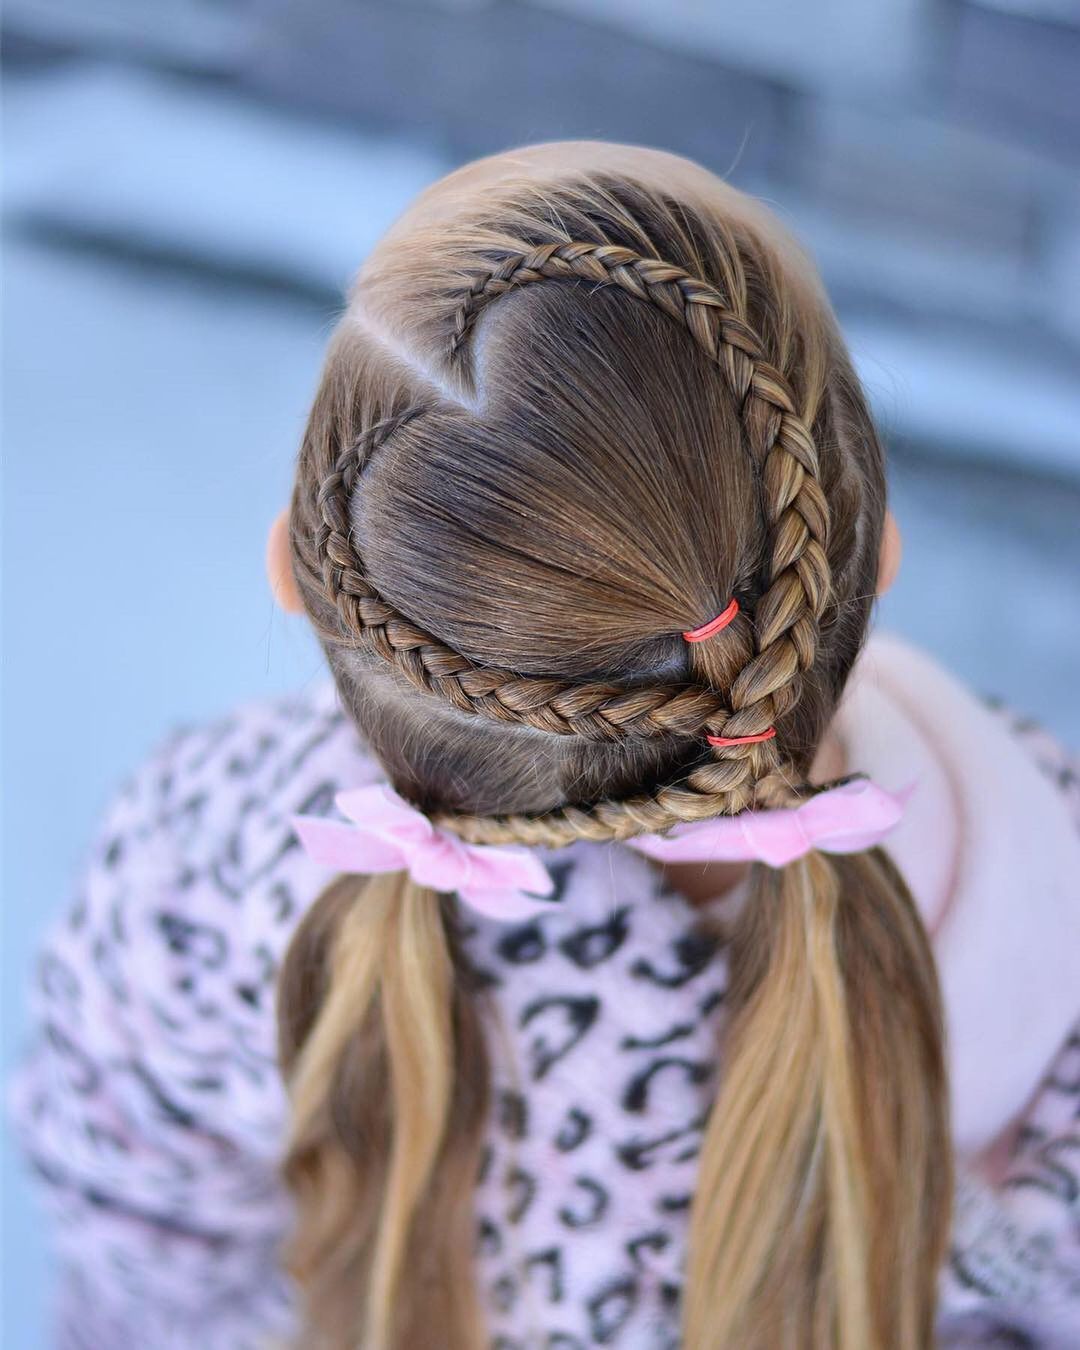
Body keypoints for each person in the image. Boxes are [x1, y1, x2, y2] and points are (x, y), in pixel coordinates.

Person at [9, 142, 1080, 1350]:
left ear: (294, 577)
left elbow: (138, 1251)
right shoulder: (1055, 889)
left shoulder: (201, 863)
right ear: (873, 558)